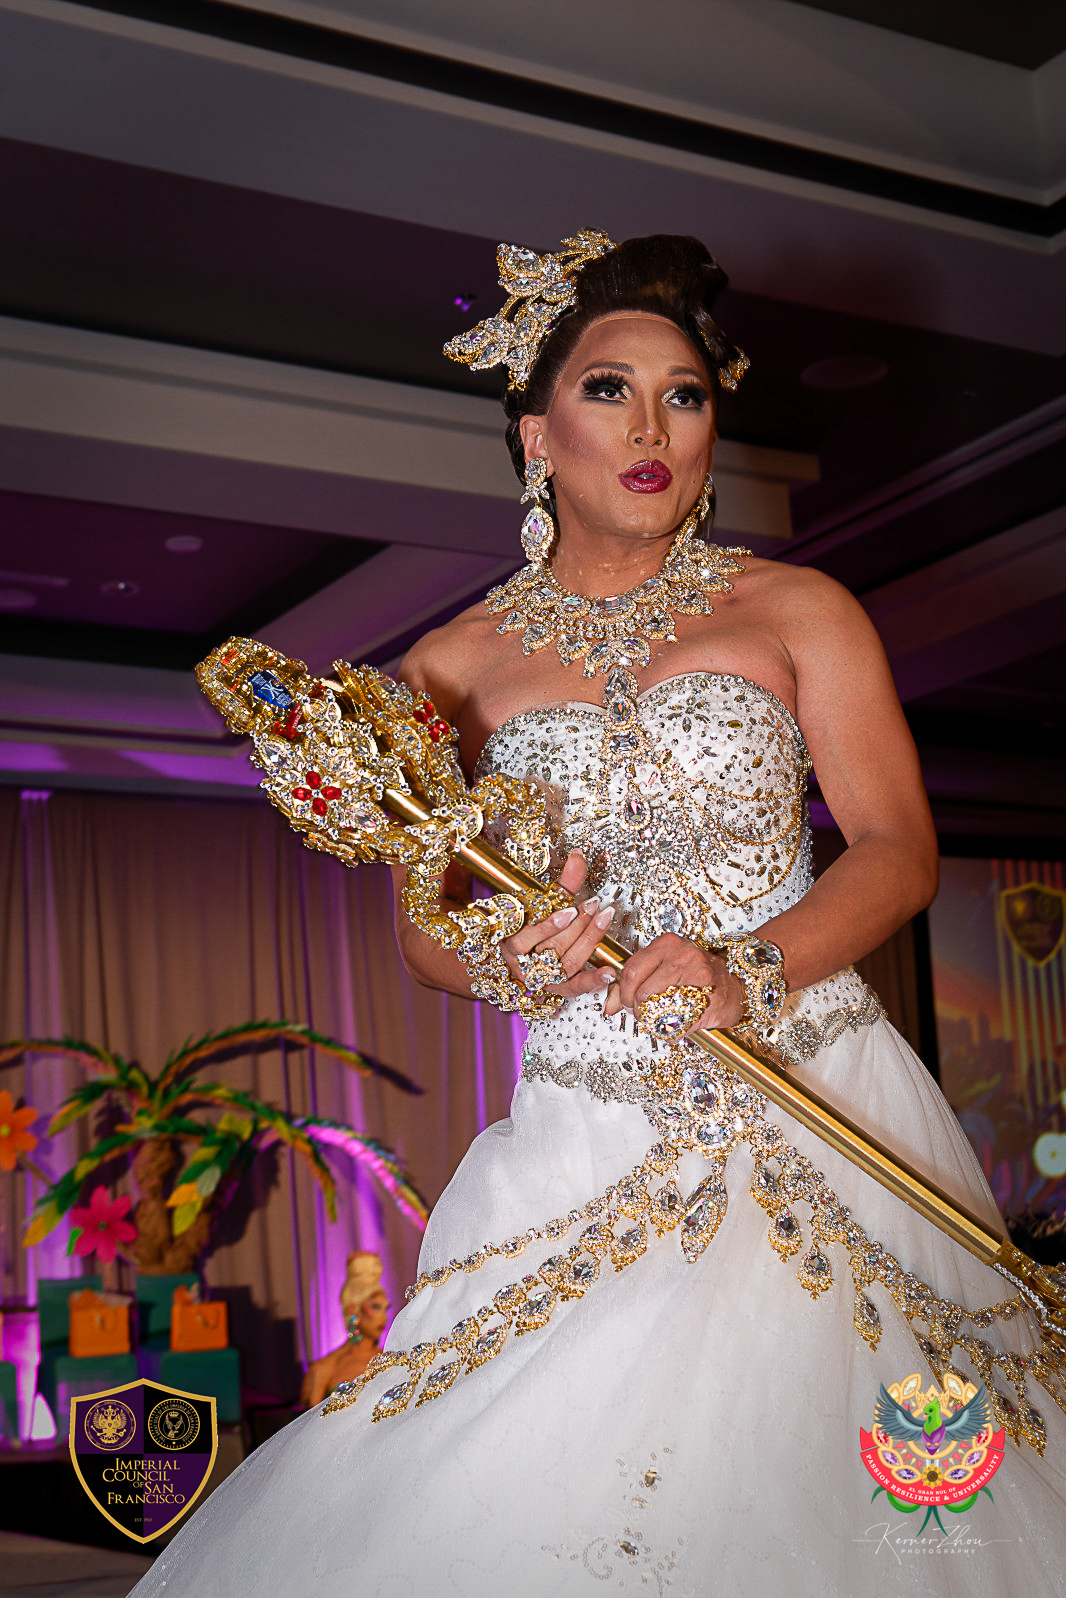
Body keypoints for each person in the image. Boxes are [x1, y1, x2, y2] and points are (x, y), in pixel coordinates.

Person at [131, 232, 1066, 1597]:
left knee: (896, 1495)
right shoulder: (448, 665)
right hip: (586, 1125)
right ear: (536, 435)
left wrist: (749, 966)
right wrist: (510, 956)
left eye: (684, 395)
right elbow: (426, 929)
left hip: (816, 1085)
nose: (651, 427)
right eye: (609, 390)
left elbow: (896, 849)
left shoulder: (795, 607)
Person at [299, 1252, 390, 1408]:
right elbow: (311, 1418)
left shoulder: (389, 1359)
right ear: (353, 1310)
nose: (384, 1318)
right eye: (375, 1307)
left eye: (385, 1309)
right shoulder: (323, 1368)